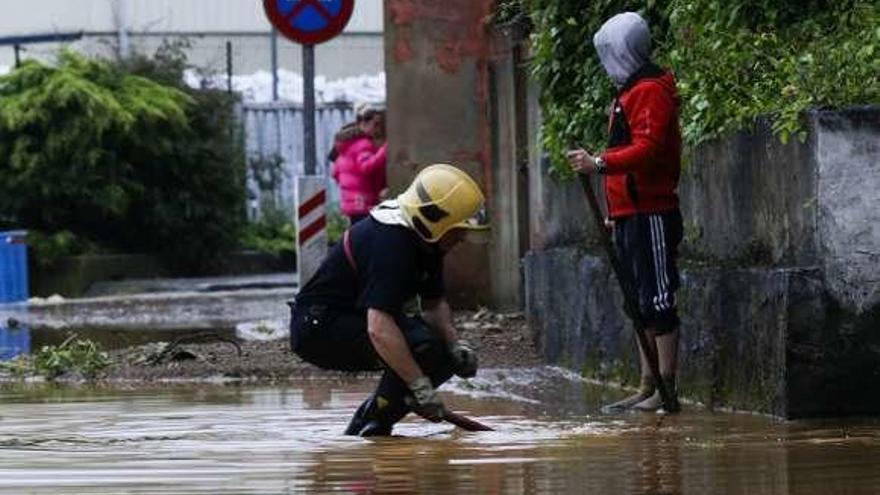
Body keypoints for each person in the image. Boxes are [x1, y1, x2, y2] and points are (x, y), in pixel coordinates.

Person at [289, 163, 489, 436]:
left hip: (354, 319)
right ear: (436, 219)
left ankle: (376, 423)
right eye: (459, 229)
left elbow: (433, 304)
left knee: (440, 352)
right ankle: (371, 424)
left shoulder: (426, 240)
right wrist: (420, 385)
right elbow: (378, 327)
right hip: (320, 328)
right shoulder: (392, 243)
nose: (463, 237)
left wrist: (455, 346)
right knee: (424, 347)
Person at [567, 12, 683, 413]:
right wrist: (615, 212)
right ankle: (647, 383)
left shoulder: (650, 91)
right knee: (637, 302)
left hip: (652, 211)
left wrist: (598, 163)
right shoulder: (628, 92)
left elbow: (648, 150)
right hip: (630, 213)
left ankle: (666, 385)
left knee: (658, 298)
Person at [330, 103, 388, 224]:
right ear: (364, 123)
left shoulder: (346, 143)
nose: (379, 129)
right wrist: (385, 150)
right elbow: (366, 166)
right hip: (363, 202)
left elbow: (335, 173)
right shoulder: (364, 144)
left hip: (351, 204)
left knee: (357, 236)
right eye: (376, 124)